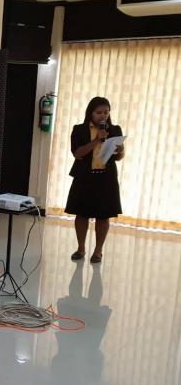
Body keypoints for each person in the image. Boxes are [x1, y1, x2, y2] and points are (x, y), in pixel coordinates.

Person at [66, 97, 125, 263]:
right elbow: (77, 153)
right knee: (81, 214)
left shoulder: (115, 130)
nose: (103, 115)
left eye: (106, 112)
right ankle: (81, 248)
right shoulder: (79, 129)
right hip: (84, 178)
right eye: (99, 112)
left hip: (106, 179)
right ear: (90, 113)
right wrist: (97, 140)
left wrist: (120, 150)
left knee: (103, 216)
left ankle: (98, 251)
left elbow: (119, 157)